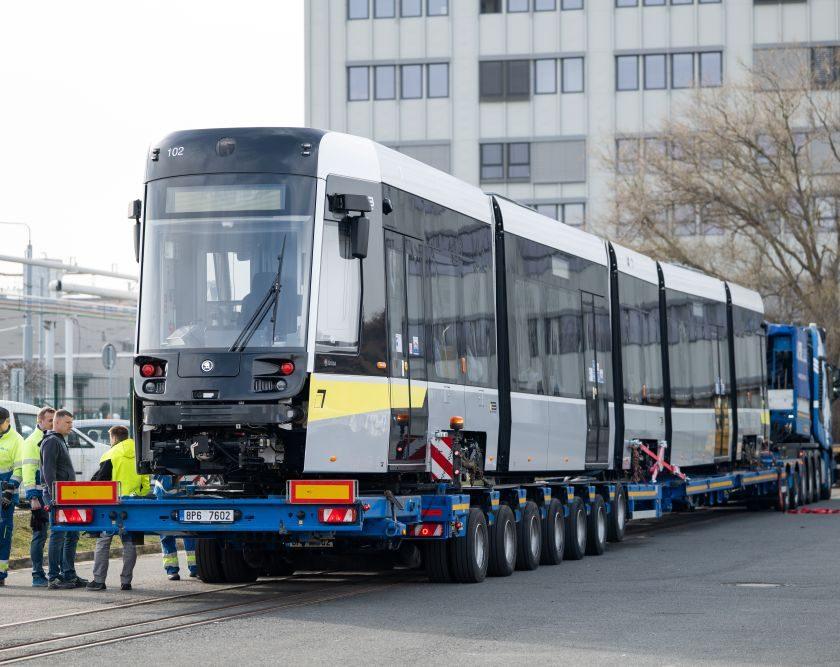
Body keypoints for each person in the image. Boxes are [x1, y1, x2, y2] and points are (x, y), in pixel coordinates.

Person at [87, 425, 150, 592]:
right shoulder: (140, 453)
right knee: (129, 543)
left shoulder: (110, 454)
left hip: (113, 504)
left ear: (114, 438)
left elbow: (102, 481)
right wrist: (138, 494)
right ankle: (126, 581)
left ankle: (99, 580)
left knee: (103, 542)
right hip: (134, 504)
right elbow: (146, 483)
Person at [40, 409, 88, 590]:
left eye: (71, 423)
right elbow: (48, 471)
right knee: (59, 534)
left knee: (72, 534)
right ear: (57, 423)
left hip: (67, 495)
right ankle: (54, 577)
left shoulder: (59, 441)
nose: (71, 426)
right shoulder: (52, 441)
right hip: (58, 496)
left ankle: (69, 574)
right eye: (68, 423)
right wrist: (54, 497)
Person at [21, 406, 55, 587]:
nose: (52, 423)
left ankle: (48, 574)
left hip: (49, 494)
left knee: (47, 534)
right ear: (40, 421)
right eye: (50, 420)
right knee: (40, 535)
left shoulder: (49, 438)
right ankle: (37, 575)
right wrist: (32, 496)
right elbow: (28, 470)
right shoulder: (33, 441)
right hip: (39, 496)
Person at [153, 475, 197, 580]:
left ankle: (191, 568)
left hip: (181, 497)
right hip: (166, 498)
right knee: (169, 535)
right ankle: (174, 569)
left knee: (189, 534)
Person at [0, 407, 24, 587]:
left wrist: (10, 489)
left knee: (3, 533)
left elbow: (20, 468)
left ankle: (1, 572)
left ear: (7, 421)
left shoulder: (17, 440)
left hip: (5, 494)